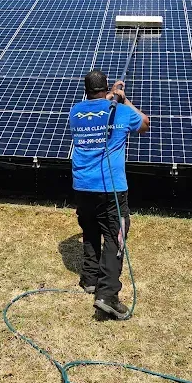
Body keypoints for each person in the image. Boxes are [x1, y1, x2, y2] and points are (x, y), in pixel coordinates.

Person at [69, 69, 150, 320]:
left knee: (90, 231)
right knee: (115, 237)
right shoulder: (122, 111)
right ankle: (108, 295)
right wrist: (123, 99)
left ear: (86, 90)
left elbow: (97, 112)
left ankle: (90, 280)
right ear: (106, 88)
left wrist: (109, 99)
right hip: (111, 188)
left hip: (82, 186)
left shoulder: (75, 112)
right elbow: (145, 124)